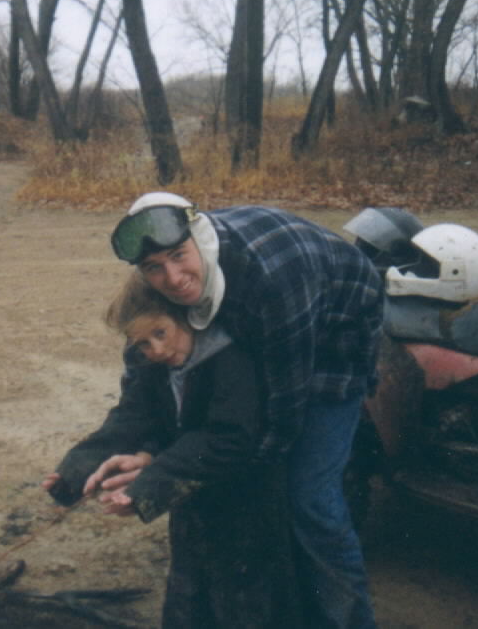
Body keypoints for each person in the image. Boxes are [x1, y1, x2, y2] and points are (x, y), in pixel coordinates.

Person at [107, 191, 383, 629]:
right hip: (261, 313)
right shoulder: (161, 275)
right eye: (155, 267)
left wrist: (219, 469)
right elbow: (143, 377)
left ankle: (349, 619)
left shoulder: (270, 282)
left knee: (306, 495)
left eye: (179, 257)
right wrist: (148, 450)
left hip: (332, 334)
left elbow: (283, 416)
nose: (173, 278)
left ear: (199, 237)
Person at [43, 272, 300, 628]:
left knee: (243, 600)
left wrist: (150, 484)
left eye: (160, 334)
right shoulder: (153, 364)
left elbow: (227, 439)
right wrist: (77, 470)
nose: (157, 350)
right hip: (192, 496)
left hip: (247, 501)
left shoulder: (231, 358)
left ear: (185, 318)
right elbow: (132, 416)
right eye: (143, 344)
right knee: (189, 592)